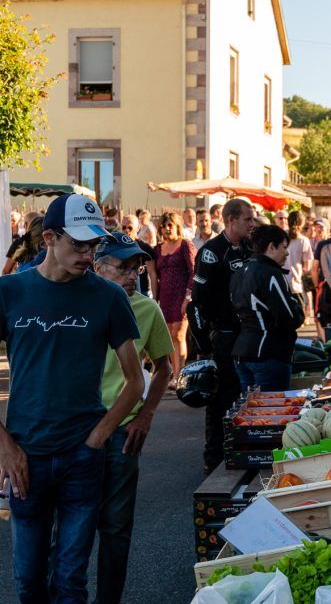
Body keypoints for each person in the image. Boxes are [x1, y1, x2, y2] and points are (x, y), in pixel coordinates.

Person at [0, 194, 143, 604]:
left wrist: (98, 437)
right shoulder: (9, 291)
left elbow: (135, 381)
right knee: (27, 580)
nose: (88, 254)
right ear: (49, 239)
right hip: (26, 457)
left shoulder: (108, 297)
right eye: (78, 243)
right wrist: (4, 446)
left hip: (82, 458)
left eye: (94, 244)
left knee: (71, 582)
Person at [91, 233, 173, 604]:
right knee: (70, 527)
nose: (132, 275)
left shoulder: (146, 309)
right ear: (98, 268)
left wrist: (146, 415)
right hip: (77, 429)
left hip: (124, 432)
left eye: (137, 267)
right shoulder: (77, 304)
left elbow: (163, 368)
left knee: (116, 528)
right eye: (123, 267)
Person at [188, 198, 255, 473]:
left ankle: (244, 451)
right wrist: (203, 345)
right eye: (248, 219)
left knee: (248, 396)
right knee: (221, 400)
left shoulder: (251, 248)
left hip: (249, 335)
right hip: (224, 337)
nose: (253, 224)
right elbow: (196, 304)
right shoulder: (211, 252)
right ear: (231, 220)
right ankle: (213, 457)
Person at [231, 225, 305, 391]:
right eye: (284, 247)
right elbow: (291, 318)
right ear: (271, 247)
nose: (287, 253)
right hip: (269, 355)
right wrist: (296, 304)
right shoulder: (270, 273)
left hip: (243, 353)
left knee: (250, 413)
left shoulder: (240, 272)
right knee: (270, 412)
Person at [150, 212, 196, 378]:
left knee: (179, 334)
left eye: (170, 225)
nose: (167, 229)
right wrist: (155, 300)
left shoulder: (185, 245)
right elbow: (155, 275)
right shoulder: (158, 249)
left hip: (182, 295)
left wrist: (188, 297)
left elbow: (193, 271)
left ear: (177, 226)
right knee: (169, 337)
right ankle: (175, 374)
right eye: (164, 225)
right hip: (165, 296)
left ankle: (179, 376)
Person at [286, 211, 314, 322]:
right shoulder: (303, 240)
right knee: (296, 316)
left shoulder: (282, 236)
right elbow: (307, 267)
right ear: (302, 224)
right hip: (295, 282)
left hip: (280, 279)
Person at [121, 214, 158, 298]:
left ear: (137, 228)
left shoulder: (145, 248)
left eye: (130, 227)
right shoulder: (118, 246)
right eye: (124, 227)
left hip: (143, 291)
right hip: (123, 290)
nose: (127, 230)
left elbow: (152, 274)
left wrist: (155, 298)